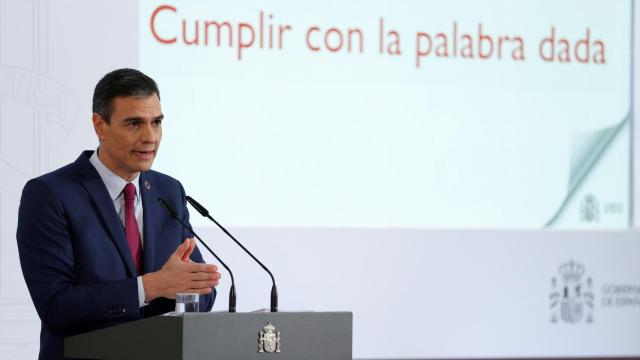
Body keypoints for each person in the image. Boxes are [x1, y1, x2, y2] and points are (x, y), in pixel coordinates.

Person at [16, 68, 221, 360]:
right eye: (134, 123)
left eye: (156, 122)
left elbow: (200, 291)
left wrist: (191, 289)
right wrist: (152, 287)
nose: (150, 137)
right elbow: (56, 306)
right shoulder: (51, 194)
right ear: (100, 125)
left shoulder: (168, 191)